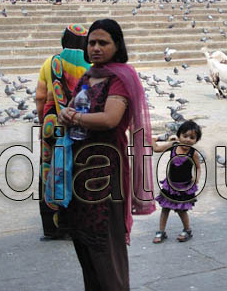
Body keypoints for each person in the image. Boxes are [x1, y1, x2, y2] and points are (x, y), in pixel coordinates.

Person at [60, 19, 155, 290]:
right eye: (92, 43)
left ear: (117, 45)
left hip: (105, 168)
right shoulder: (88, 75)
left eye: (103, 43)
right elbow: (73, 108)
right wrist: (68, 113)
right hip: (79, 168)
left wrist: (74, 116)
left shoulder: (120, 78)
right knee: (83, 238)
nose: (96, 48)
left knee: (104, 241)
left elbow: (110, 119)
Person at [34, 22, 90, 240]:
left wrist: (42, 122)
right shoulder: (91, 64)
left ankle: (53, 227)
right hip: (82, 126)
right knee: (76, 171)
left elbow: (40, 96)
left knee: (51, 171)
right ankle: (77, 223)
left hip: (53, 125)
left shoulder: (51, 62)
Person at [151, 120, 203, 244]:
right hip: (170, 185)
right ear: (179, 136)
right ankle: (161, 231)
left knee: (181, 210)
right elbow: (156, 149)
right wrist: (154, 138)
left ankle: (187, 230)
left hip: (184, 187)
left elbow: (198, 167)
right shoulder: (173, 146)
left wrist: (196, 178)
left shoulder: (193, 153)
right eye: (185, 136)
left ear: (196, 140)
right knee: (165, 209)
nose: (187, 140)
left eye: (192, 137)